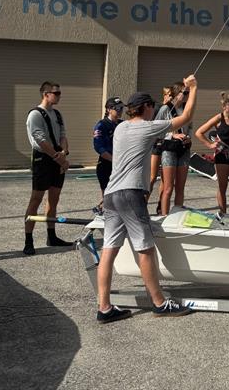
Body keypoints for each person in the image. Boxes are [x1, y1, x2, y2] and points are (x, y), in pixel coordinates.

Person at [96, 79, 198, 324]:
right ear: (145, 107)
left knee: (109, 250)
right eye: (151, 105)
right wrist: (193, 89)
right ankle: (160, 303)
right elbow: (185, 118)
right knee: (145, 249)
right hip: (131, 194)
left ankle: (104, 307)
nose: (154, 108)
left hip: (110, 194)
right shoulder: (147, 127)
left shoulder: (120, 128)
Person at [23, 81, 71, 255]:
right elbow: (41, 140)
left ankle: (52, 236)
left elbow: (63, 135)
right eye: (56, 93)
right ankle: (28, 240)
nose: (59, 96)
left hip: (57, 157)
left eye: (59, 93)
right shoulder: (35, 114)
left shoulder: (57, 114)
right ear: (45, 94)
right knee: (36, 199)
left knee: (54, 198)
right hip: (43, 159)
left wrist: (64, 152)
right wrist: (59, 158)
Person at [195, 92, 229, 214]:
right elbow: (199, 132)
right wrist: (210, 144)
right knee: (222, 187)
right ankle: (223, 213)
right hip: (222, 155)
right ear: (224, 107)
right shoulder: (218, 118)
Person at [157, 82, 192, 216]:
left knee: (180, 187)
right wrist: (172, 134)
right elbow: (156, 129)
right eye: (185, 93)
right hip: (169, 149)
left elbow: (189, 127)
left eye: (188, 93)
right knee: (168, 187)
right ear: (177, 94)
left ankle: (177, 215)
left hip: (183, 149)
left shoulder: (186, 109)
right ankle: (164, 216)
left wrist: (188, 137)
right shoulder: (165, 109)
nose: (187, 96)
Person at [92, 96, 124, 215]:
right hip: (106, 164)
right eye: (117, 108)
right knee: (108, 195)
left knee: (120, 194)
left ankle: (102, 207)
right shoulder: (102, 125)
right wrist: (113, 160)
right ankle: (104, 211)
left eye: (121, 108)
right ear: (109, 109)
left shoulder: (123, 124)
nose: (120, 111)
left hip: (120, 164)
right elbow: (98, 147)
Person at [148, 87, 172, 212]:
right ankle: (143, 203)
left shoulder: (173, 109)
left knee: (165, 178)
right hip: (156, 145)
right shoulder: (158, 107)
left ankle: (160, 207)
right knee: (152, 177)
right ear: (164, 96)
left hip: (167, 145)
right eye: (168, 95)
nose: (170, 97)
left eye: (172, 95)